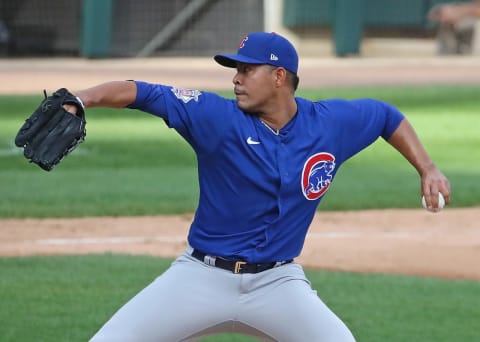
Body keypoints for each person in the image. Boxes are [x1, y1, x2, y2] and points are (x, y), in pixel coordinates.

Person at [64, 32, 450, 341]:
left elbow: (386, 116)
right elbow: (143, 93)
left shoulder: (330, 124)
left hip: (278, 283)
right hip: (200, 278)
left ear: (279, 76)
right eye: (236, 70)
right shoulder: (214, 117)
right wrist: (83, 99)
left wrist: (427, 167)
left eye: (247, 70)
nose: (235, 78)